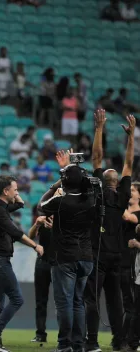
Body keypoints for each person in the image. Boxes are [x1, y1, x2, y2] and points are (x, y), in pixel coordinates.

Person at [84, 109, 135, 352]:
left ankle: (118, 341)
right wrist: (99, 128)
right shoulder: (100, 192)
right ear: (104, 178)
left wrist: (132, 136)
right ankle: (92, 341)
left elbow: (128, 162)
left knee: (113, 301)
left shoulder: (122, 194)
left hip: (109, 256)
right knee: (94, 300)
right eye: (107, 171)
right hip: (100, 254)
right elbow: (97, 156)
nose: (110, 170)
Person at [39, 147, 97, 352]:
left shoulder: (61, 199)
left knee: (64, 303)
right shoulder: (91, 199)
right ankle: (78, 345)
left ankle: (64, 345)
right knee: (78, 302)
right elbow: (86, 181)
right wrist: (74, 168)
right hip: (86, 257)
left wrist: (57, 183)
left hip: (65, 257)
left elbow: (41, 204)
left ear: (64, 181)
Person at [0, 176, 43, 352]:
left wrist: (17, 198)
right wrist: (35, 245)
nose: (17, 193)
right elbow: (15, 233)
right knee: (17, 299)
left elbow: (20, 204)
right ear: (5, 191)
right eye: (14, 189)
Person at [120, 182, 140, 351]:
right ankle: (125, 339)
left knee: (132, 304)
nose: (130, 192)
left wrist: (115, 202)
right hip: (120, 261)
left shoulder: (138, 214)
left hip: (133, 265)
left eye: (133, 190)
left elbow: (129, 218)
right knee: (127, 303)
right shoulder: (122, 212)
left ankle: (127, 339)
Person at [28, 213, 53, 344]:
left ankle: (66, 336)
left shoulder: (65, 217)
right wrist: (37, 224)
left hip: (60, 264)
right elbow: (30, 237)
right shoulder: (43, 219)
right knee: (40, 301)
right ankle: (40, 334)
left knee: (63, 301)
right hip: (42, 262)